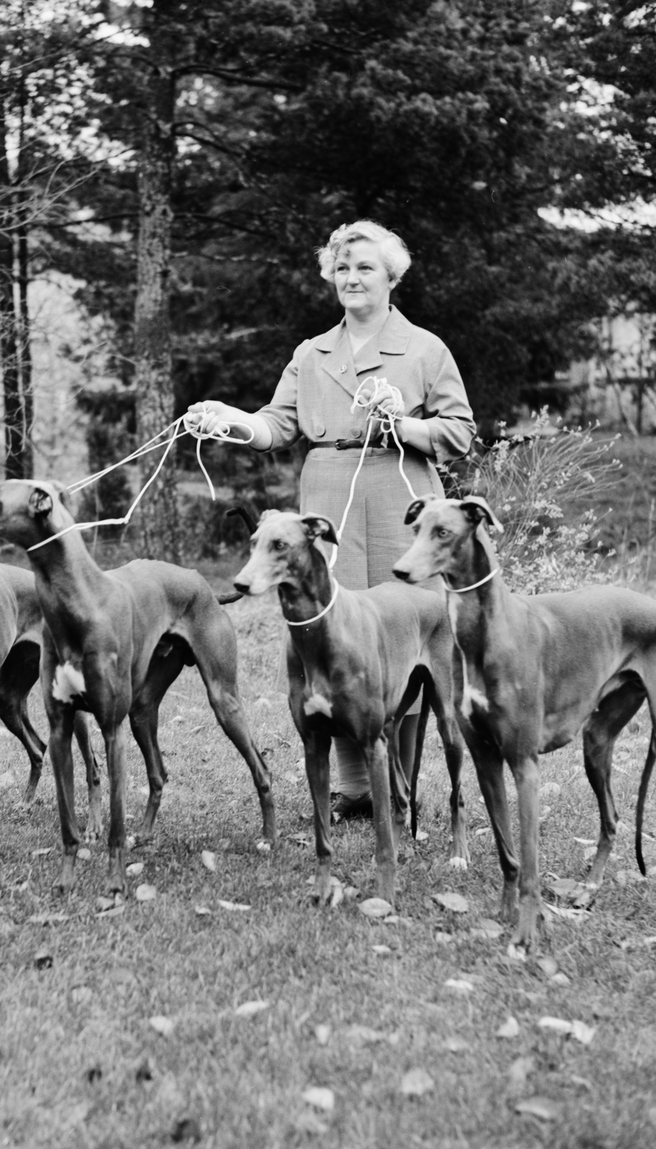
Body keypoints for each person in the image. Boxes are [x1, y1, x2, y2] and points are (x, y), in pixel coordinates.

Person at [189, 220, 475, 817]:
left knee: (400, 634)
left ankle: (399, 789)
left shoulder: (426, 349)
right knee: (331, 636)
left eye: (365, 267)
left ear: (391, 277)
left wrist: (405, 422)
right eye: (342, 268)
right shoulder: (311, 353)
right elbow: (275, 425)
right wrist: (228, 418)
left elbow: (460, 433)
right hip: (326, 500)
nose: (351, 277)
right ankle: (353, 789)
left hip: (400, 502)